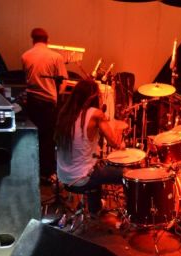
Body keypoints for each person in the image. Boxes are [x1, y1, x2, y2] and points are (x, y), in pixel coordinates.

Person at [54, 79, 125, 215]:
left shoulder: (65, 114)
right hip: (81, 178)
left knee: (94, 167)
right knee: (128, 174)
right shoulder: (95, 113)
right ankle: (131, 213)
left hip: (63, 176)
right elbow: (114, 143)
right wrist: (117, 126)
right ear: (94, 97)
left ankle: (94, 209)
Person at [21, 27, 68, 183]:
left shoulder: (25, 56)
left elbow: (26, 78)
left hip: (32, 102)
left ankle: (32, 170)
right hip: (48, 103)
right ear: (47, 40)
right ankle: (47, 173)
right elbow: (63, 82)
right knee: (48, 138)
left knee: (34, 137)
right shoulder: (56, 57)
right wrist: (58, 96)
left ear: (32, 40)